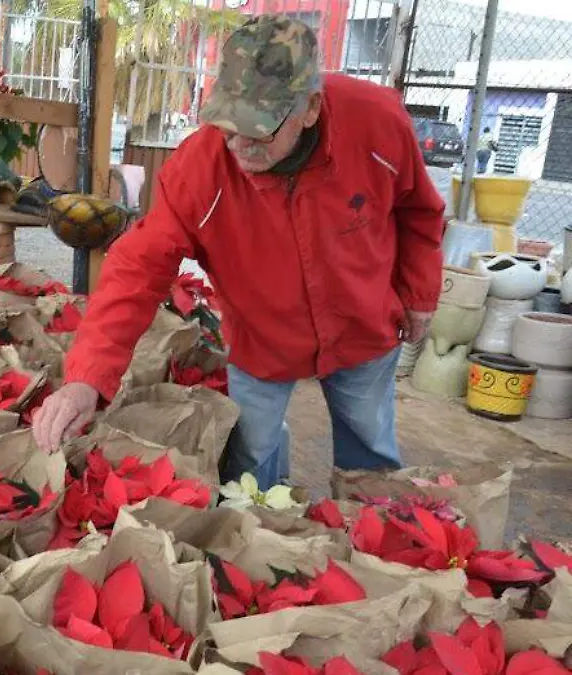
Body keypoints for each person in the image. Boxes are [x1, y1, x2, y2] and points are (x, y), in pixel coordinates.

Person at [32, 15, 445, 489]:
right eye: (230, 126)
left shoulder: (376, 123)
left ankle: (374, 538)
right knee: (250, 460)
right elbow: (137, 268)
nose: (241, 146)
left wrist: (419, 293)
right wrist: (87, 376)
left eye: (260, 129)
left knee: (369, 450)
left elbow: (419, 212)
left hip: (362, 325)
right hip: (262, 337)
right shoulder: (200, 169)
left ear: (310, 108)